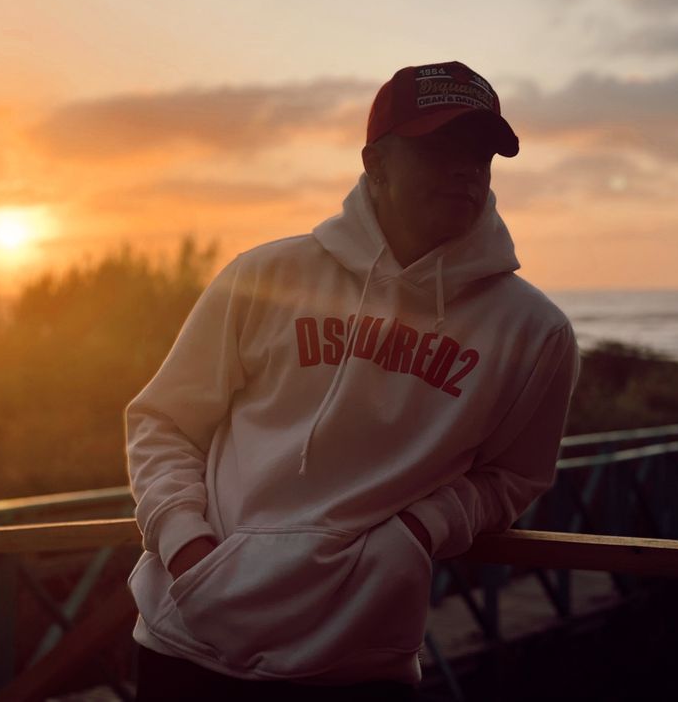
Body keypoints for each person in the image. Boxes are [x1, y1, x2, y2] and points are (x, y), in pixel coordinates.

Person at [125, 61, 580, 701]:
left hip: (356, 661)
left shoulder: (535, 332)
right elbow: (164, 421)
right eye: (440, 147)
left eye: (481, 154)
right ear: (375, 163)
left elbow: (514, 477)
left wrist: (415, 537)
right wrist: (186, 545)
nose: (465, 169)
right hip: (190, 638)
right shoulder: (264, 277)